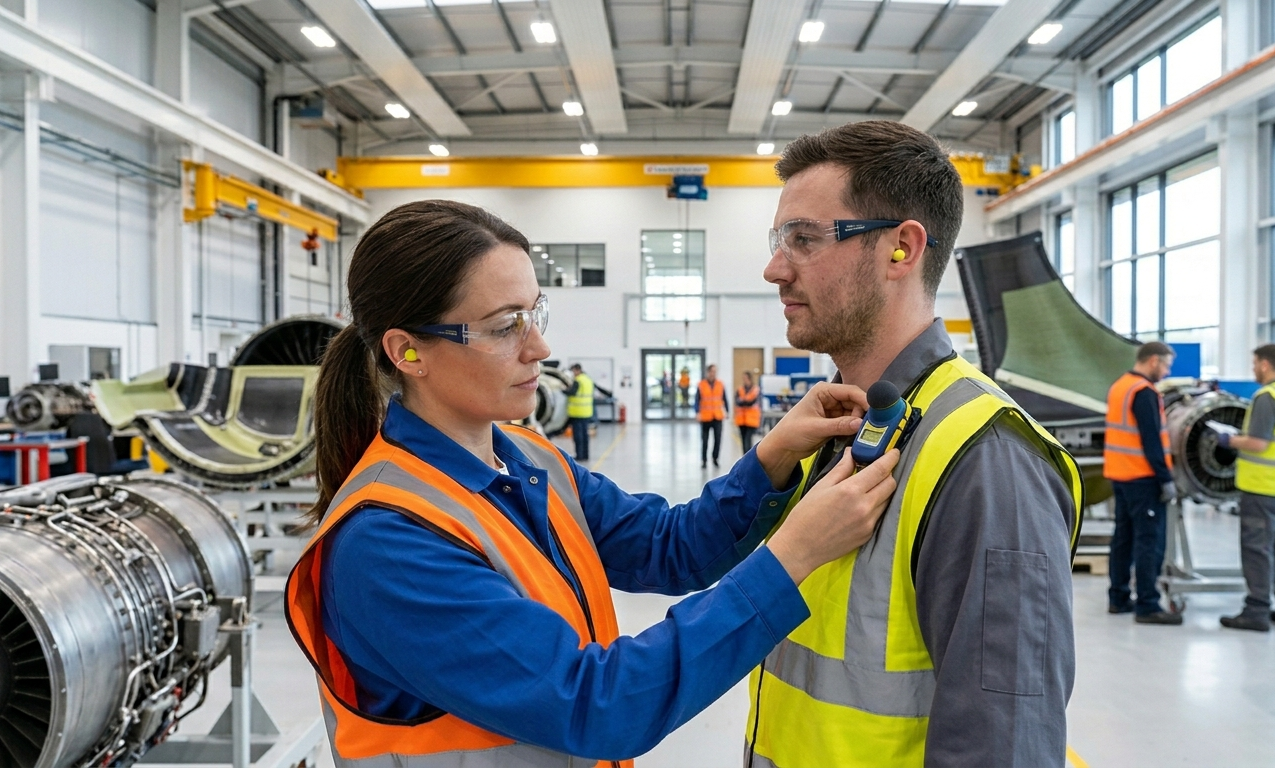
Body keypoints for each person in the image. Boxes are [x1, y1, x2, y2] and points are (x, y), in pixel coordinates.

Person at [284, 200, 904, 768]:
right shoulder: (387, 544)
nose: (540, 347)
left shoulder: (529, 460)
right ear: (407, 351)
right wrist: (793, 555)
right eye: (505, 327)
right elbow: (597, 704)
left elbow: (669, 545)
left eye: (535, 314)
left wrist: (771, 455)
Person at [746, 121, 1084, 767]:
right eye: (779, 239)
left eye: (805, 239)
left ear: (901, 249)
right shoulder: (843, 427)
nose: (774, 268)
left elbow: (1003, 745)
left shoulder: (985, 459)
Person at [1217, 344, 1275, 631]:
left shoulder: (1267, 397)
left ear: (1266, 365)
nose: (1253, 368)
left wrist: (1228, 440)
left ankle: (1256, 610)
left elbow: (1258, 442)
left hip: (1263, 487)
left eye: (1255, 363)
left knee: (1257, 548)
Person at [1104, 341, 1181, 625]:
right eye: (1166, 365)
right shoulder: (1144, 392)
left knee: (1122, 539)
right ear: (1152, 361)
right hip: (1142, 477)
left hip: (1120, 474)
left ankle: (1118, 598)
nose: (1166, 371)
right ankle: (1148, 604)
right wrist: (1165, 478)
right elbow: (1152, 441)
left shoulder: (1120, 386)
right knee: (1148, 541)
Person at [697, 364, 730, 468]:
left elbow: (724, 398)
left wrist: (727, 411)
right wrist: (697, 412)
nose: (713, 374)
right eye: (711, 371)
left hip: (717, 416)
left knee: (717, 439)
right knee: (705, 440)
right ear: (708, 372)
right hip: (706, 417)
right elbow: (697, 400)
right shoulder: (701, 384)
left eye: (715, 372)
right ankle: (704, 460)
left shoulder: (720, 384)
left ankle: (715, 458)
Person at [564, 363, 594, 461]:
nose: (573, 373)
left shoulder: (578, 380)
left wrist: (562, 390)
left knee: (578, 436)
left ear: (577, 370)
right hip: (587, 412)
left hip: (577, 413)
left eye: (573, 371)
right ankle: (585, 455)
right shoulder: (588, 379)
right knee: (585, 435)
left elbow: (572, 392)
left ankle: (580, 456)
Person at [736, 371, 762, 452]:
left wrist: (744, 401)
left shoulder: (755, 390)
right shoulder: (740, 390)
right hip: (742, 420)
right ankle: (744, 456)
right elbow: (737, 402)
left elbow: (752, 402)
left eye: (746, 378)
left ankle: (747, 457)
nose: (744, 380)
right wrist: (745, 401)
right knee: (743, 440)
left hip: (751, 419)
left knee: (748, 439)